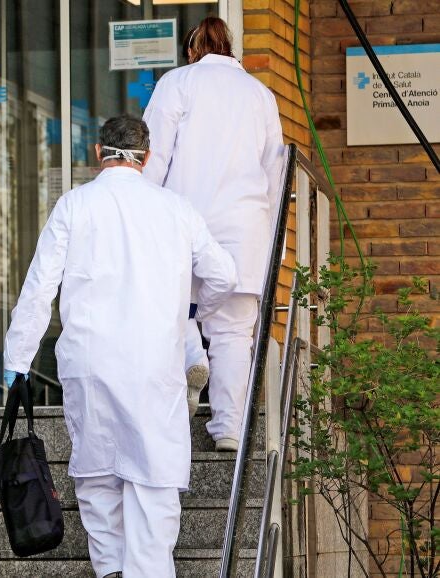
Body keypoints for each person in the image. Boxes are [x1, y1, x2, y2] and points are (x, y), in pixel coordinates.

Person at [3, 115, 237, 578]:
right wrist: (193, 311)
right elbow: (224, 276)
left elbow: (39, 287)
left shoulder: (74, 205)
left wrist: (18, 360)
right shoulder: (176, 208)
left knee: (97, 478)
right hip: (154, 362)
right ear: (147, 158)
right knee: (154, 482)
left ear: (98, 153)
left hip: (90, 361)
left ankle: (110, 568)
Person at [143, 16, 286, 449]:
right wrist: (274, 245)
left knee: (174, 312)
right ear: (230, 48)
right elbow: (275, 172)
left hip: (186, 221)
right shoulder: (260, 95)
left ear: (192, 51)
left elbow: (154, 156)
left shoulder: (177, 83)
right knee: (234, 333)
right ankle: (228, 428)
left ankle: (190, 362)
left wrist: (138, 213)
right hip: (246, 228)